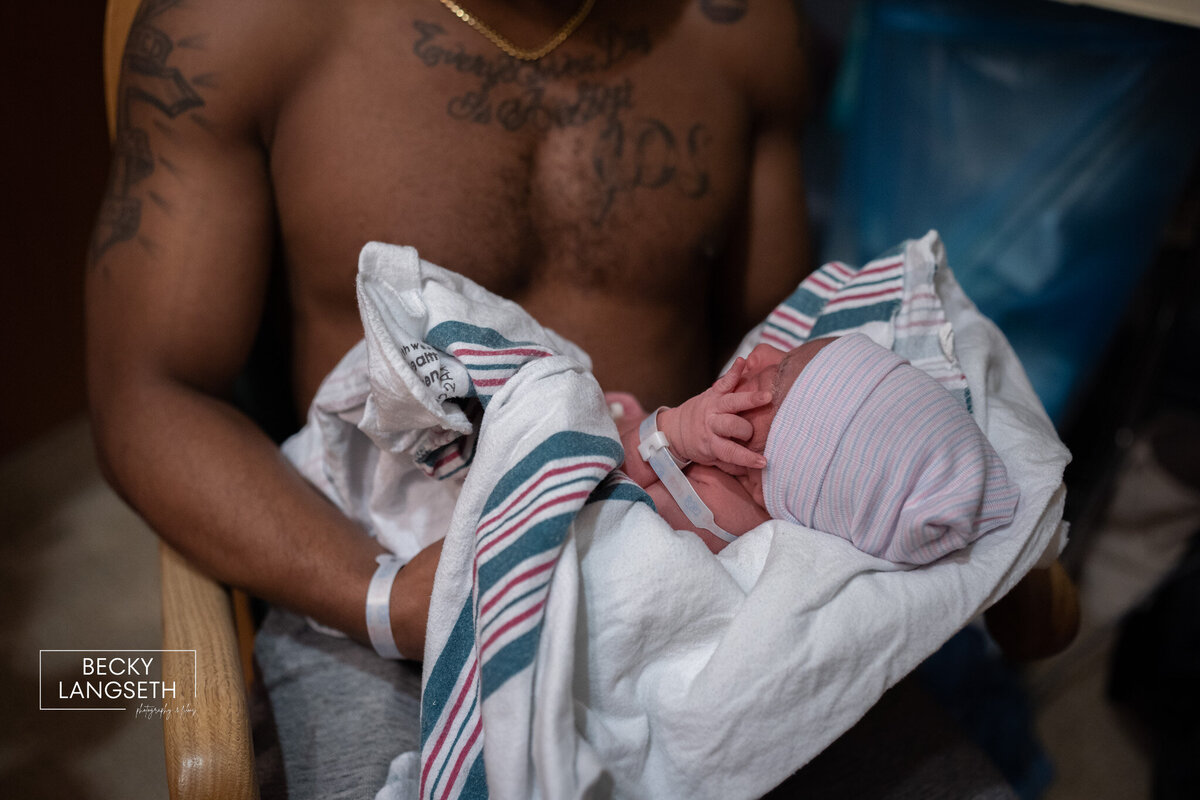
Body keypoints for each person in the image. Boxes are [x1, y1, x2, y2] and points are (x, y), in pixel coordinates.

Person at [86, 0, 815, 794]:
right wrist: (383, 599)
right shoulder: (238, 25)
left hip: (689, 553)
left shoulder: (737, 26)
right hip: (381, 580)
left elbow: (773, 347)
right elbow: (149, 389)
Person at [610, 333, 1020, 563]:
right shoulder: (742, 487)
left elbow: (603, 491)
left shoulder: (715, 508)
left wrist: (674, 431)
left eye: (777, 370)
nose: (760, 353)